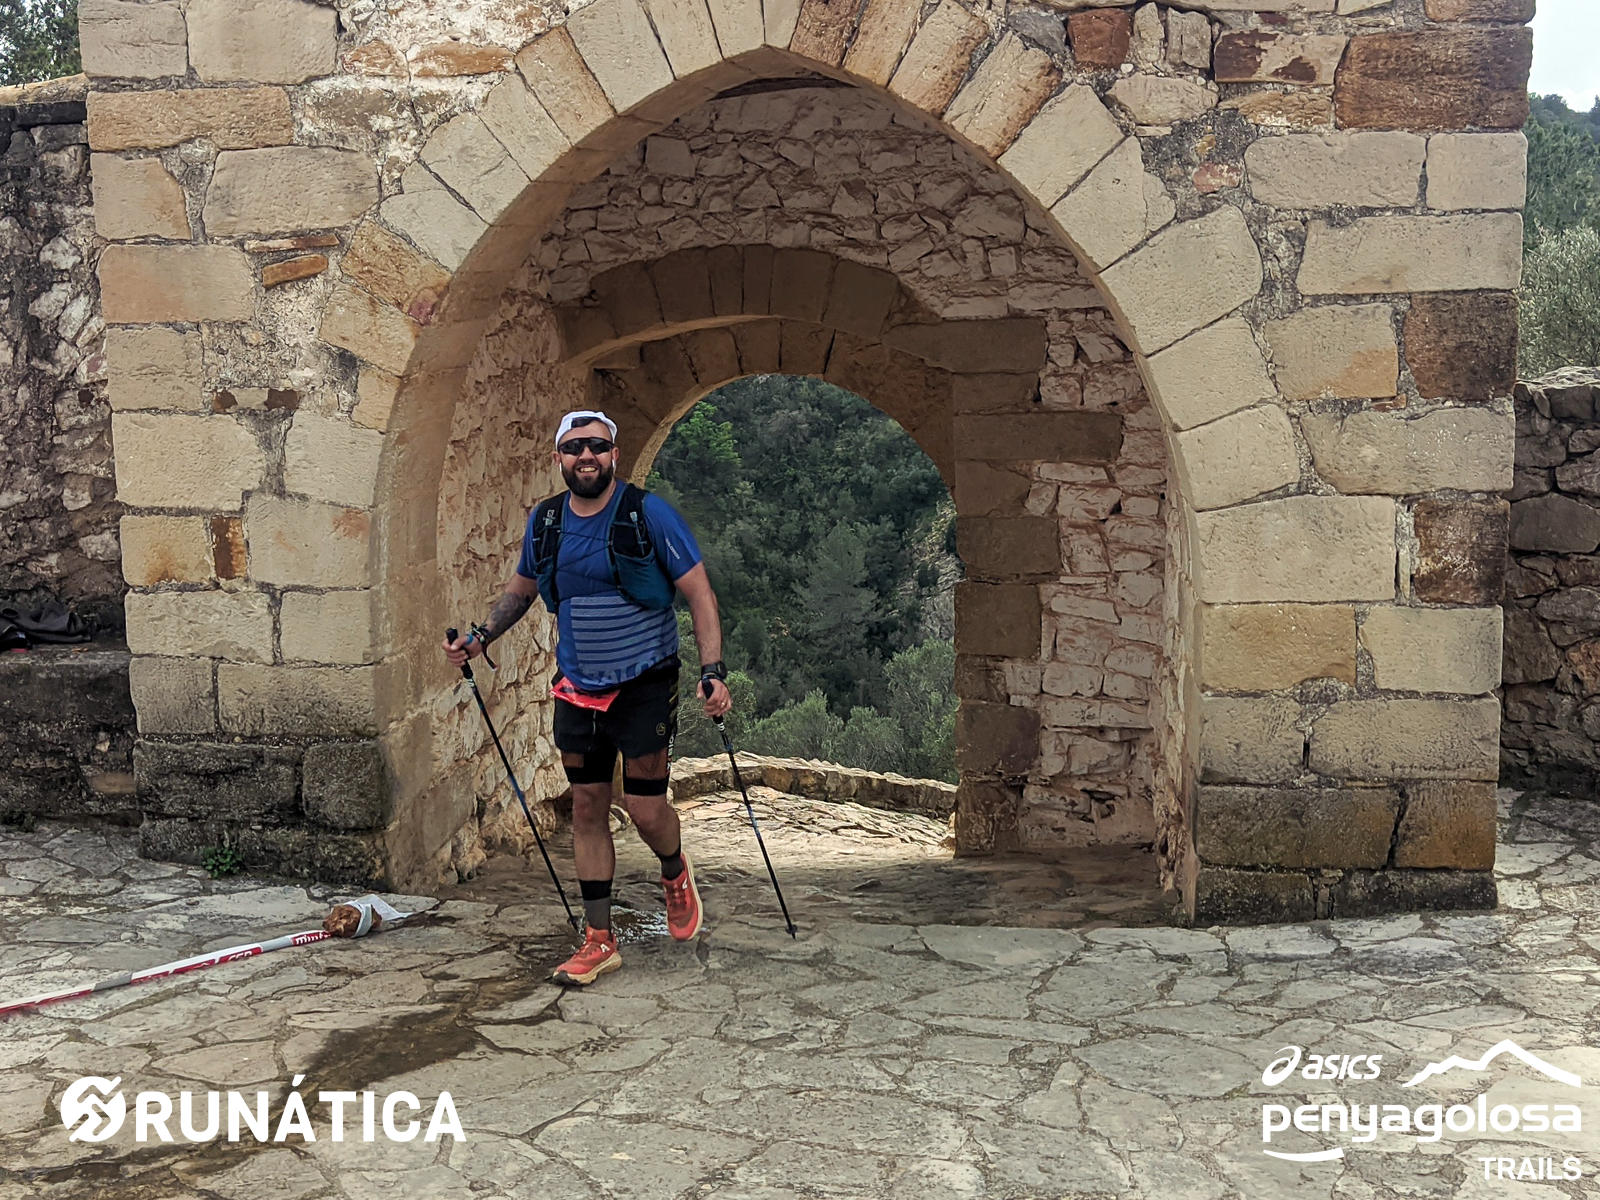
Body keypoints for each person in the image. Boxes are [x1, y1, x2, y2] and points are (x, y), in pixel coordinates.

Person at [443, 410, 732, 986]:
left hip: (646, 681)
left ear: (614, 455)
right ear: (559, 458)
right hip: (577, 687)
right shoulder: (547, 521)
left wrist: (713, 671)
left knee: (645, 809)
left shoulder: (648, 513)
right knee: (587, 807)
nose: (586, 456)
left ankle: (674, 869)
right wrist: (480, 638)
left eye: (597, 446)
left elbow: (699, 593)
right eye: (574, 447)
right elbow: (522, 590)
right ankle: (599, 938)